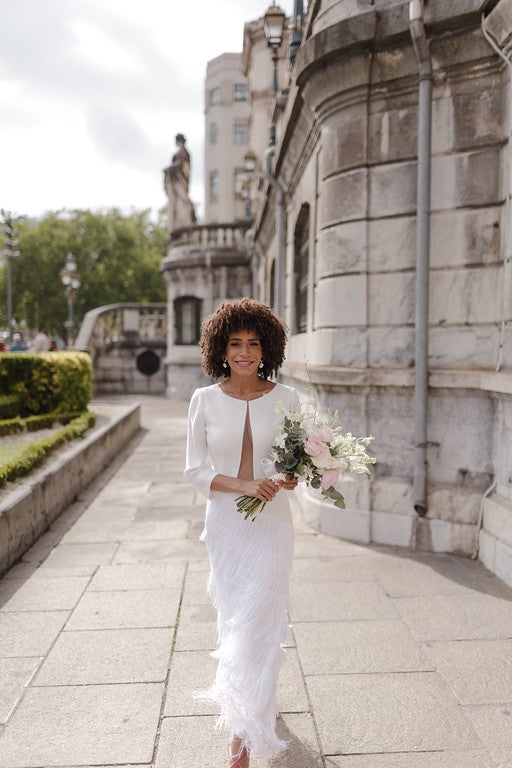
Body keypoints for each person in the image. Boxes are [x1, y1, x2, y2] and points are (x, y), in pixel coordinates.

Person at [185, 298, 300, 768]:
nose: (245, 352)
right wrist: (244, 485)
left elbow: (298, 468)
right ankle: (249, 712)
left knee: (261, 622)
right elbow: (194, 471)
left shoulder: (289, 398)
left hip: (272, 526)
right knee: (234, 620)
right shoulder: (203, 400)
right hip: (227, 525)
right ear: (221, 348)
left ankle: (243, 739)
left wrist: (291, 478)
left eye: (254, 343)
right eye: (235, 343)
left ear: (266, 347)